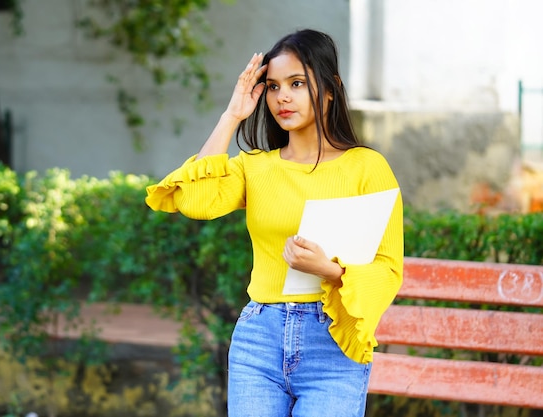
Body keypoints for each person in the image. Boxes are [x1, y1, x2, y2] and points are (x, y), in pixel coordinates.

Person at [145, 28, 403, 417]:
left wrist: (329, 271)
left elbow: (388, 269)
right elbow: (193, 200)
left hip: (332, 341)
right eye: (272, 86)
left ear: (330, 89)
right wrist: (231, 116)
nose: (282, 96)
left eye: (297, 83)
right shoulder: (255, 168)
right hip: (259, 338)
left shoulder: (367, 167)